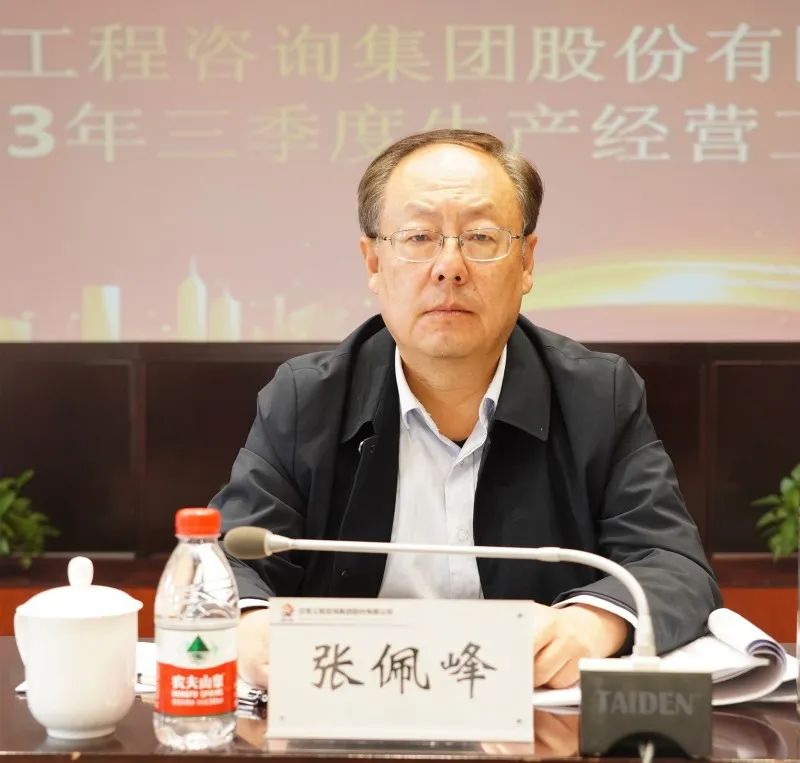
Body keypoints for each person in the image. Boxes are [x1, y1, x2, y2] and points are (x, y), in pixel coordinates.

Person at [212, 129, 721, 690]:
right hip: (352, 712)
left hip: (534, 719)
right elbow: (224, 559)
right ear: (374, 261)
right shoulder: (307, 399)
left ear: (526, 261)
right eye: (419, 237)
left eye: (480, 237)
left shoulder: (598, 396)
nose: (449, 267)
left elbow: (674, 564)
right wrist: (250, 625)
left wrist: (591, 624)